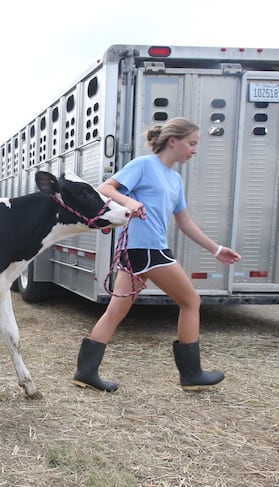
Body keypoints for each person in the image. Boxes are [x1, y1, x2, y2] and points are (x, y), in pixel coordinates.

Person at [72, 117, 242, 392]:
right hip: (145, 249)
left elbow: (184, 222)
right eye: (192, 143)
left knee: (116, 310)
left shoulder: (175, 179)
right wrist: (130, 202)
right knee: (191, 302)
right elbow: (105, 188)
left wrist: (217, 249)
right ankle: (191, 374)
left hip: (143, 250)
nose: (194, 150)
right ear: (173, 141)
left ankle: (85, 371)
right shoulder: (143, 165)